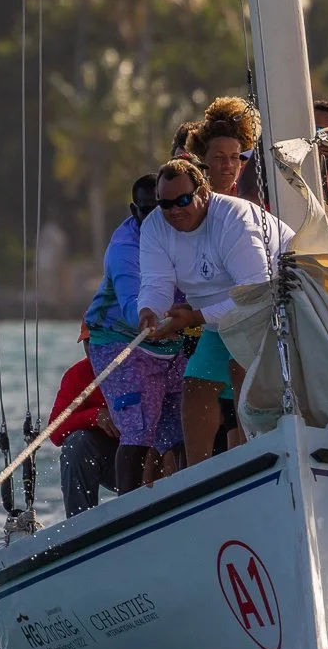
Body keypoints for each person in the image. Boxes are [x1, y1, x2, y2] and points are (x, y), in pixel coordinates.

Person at [136, 158, 295, 466]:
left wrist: (195, 317)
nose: (174, 210)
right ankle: (199, 477)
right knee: (195, 386)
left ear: (204, 193)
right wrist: (149, 312)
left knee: (240, 368)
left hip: (272, 304)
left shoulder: (234, 220)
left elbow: (256, 293)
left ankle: (257, 460)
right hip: (217, 317)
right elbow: (156, 282)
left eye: (183, 200)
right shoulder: (156, 225)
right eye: (165, 203)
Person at [84, 175, 187, 493]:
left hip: (170, 341)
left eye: (163, 208)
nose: (158, 217)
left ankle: (190, 496)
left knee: (184, 425)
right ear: (134, 210)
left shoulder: (185, 228)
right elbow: (132, 303)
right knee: (139, 430)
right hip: (119, 342)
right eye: (147, 210)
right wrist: (147, 316)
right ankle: (127, 512)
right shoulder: (124, 249)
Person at [49, 356, 120, 517]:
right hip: (112, 459)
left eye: (97, 339)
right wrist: (94, 417)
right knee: (77, 443)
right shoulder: (78, 373)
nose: (92, 347)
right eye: (87, 342)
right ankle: (80, 524)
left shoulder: (140, 364)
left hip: (153, 457)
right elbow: (55, 431)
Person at [185, 96, 256, 199]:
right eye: (219, 157)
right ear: (202, 158)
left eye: (234, 157)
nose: (227, 164)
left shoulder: (254, 201)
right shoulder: (190, 202)